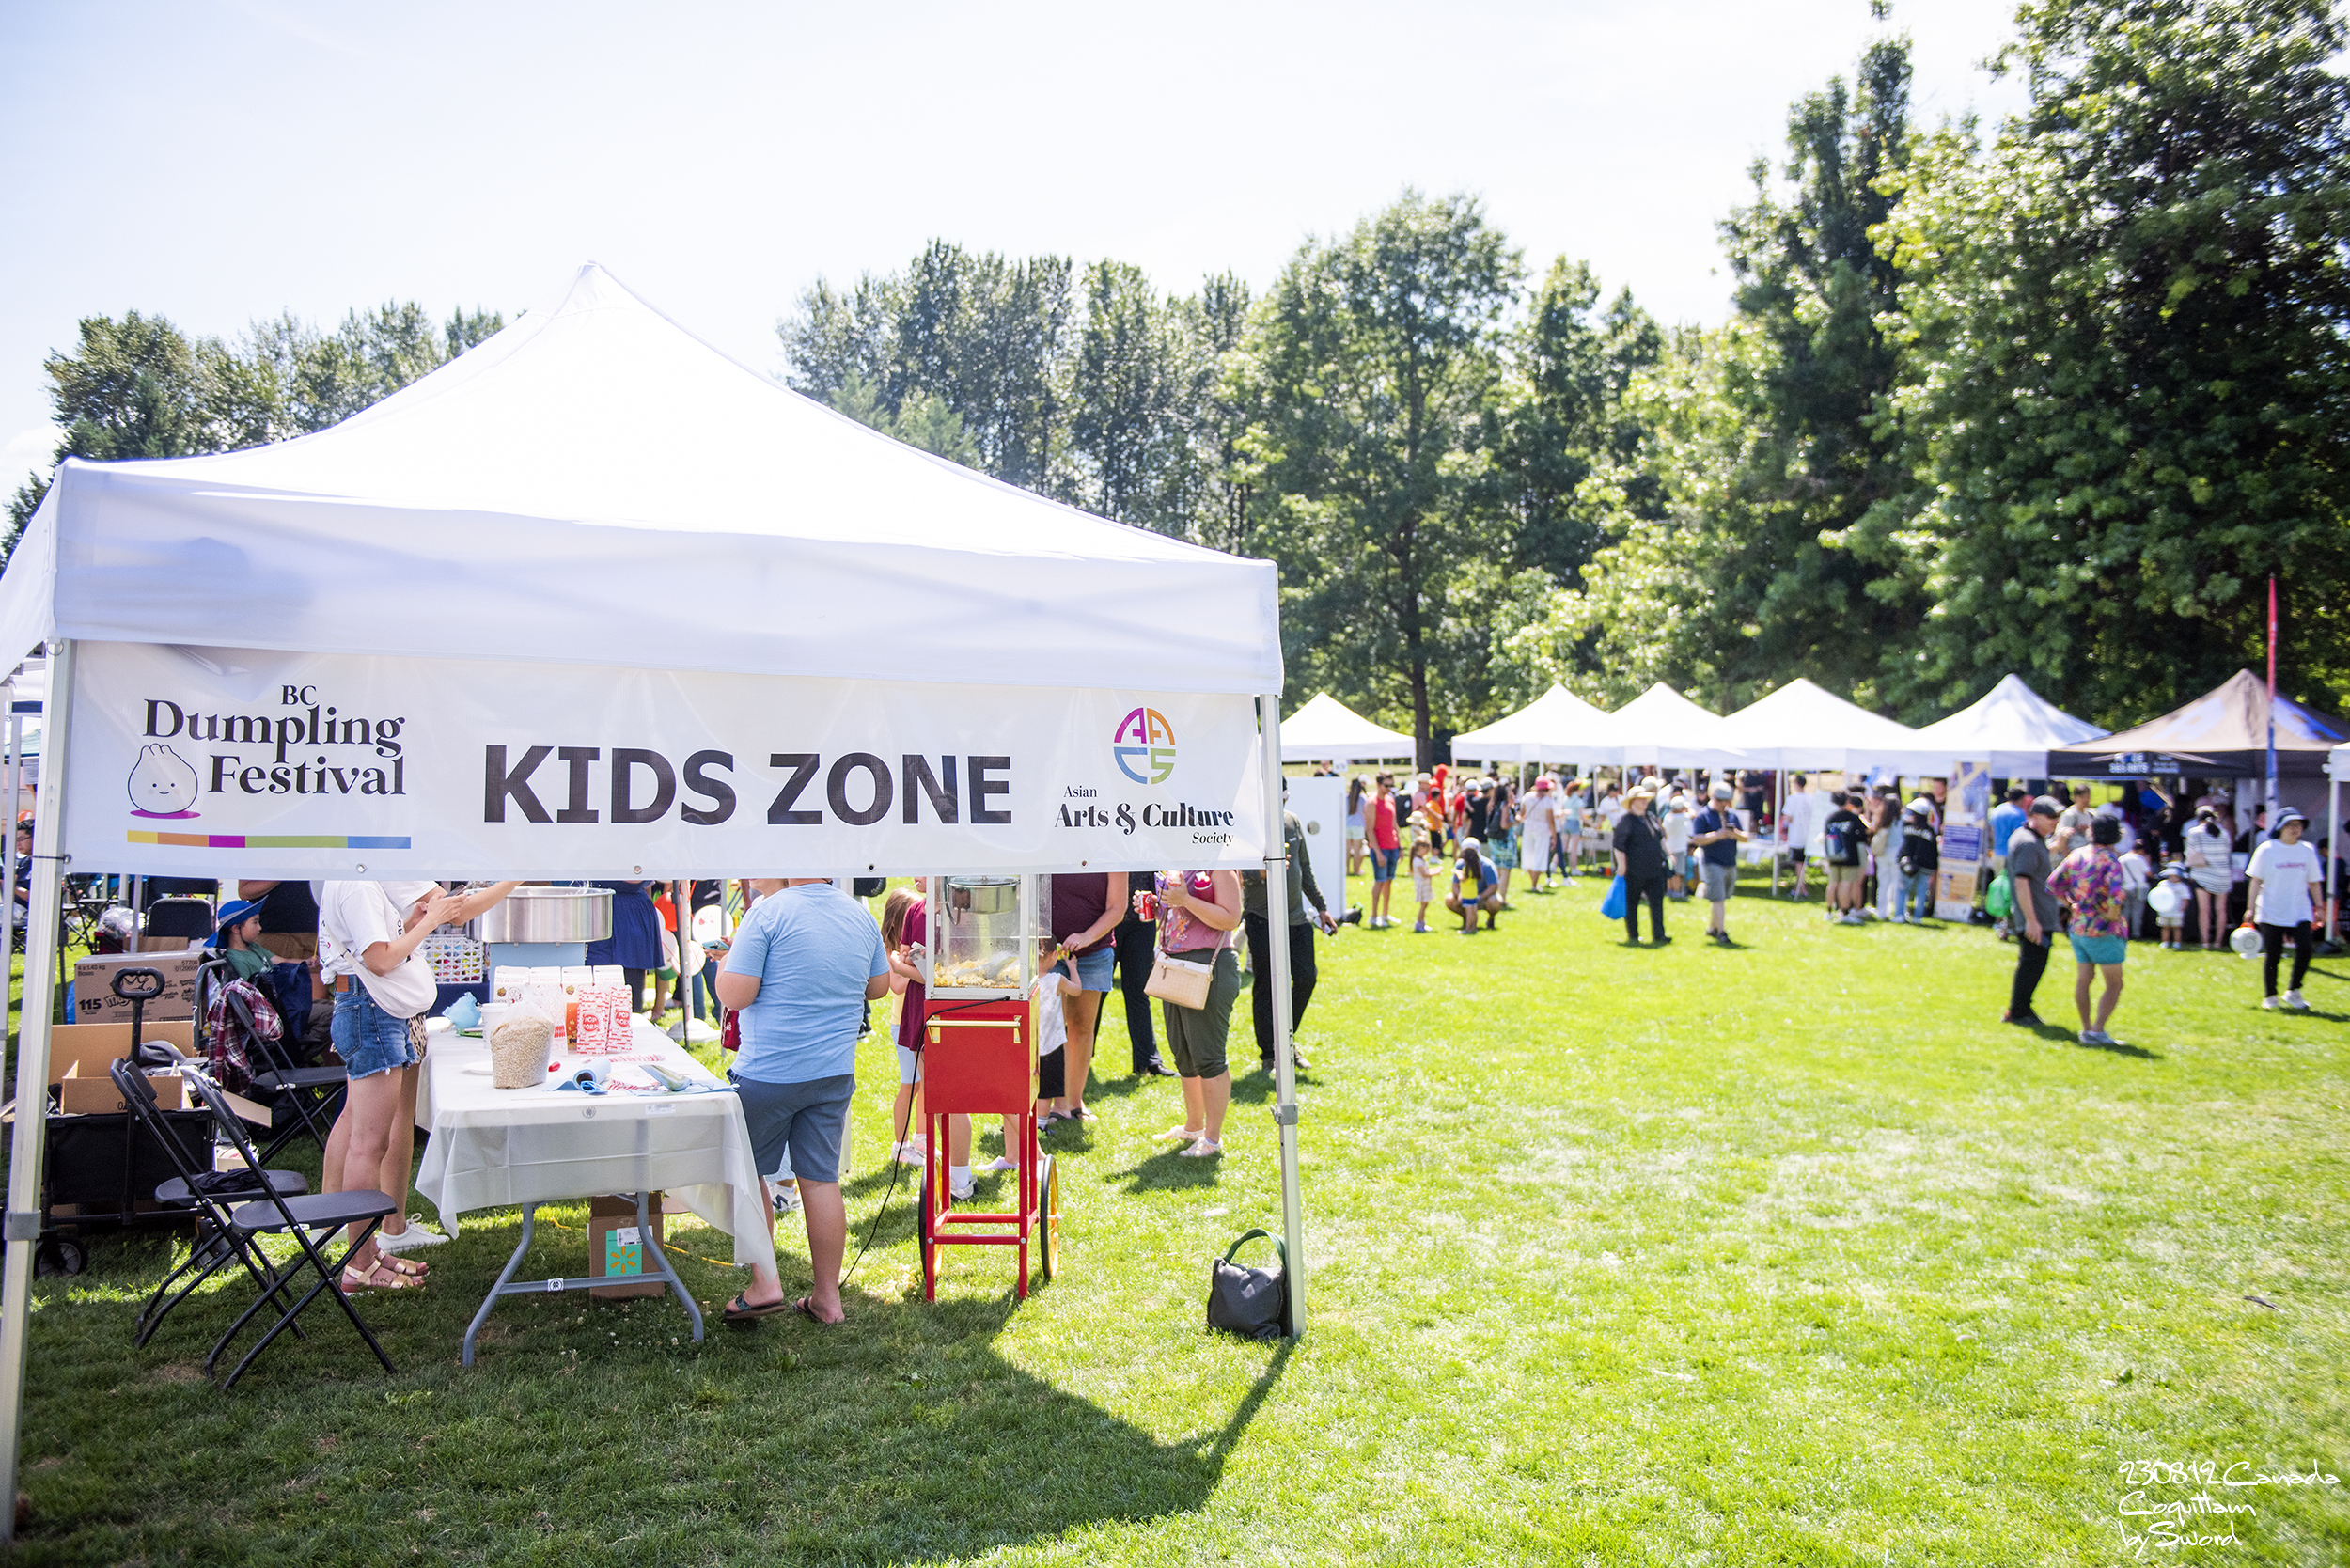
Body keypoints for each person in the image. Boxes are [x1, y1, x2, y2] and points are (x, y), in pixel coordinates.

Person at [319, 877, 517, 1288]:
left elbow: (378, 948)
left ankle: (368, 1252)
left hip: (372, 1011)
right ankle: (358, 1266)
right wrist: (430, 921)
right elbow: (379, 960)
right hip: (371, 1012)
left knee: (371, 1141)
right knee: (368, 1145)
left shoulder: (362, 880)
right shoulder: (358, 884)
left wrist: (412, 923)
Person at [714, 875, 891, 1324]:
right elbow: (878, 987)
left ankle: (765, 1284)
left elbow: (735, 994)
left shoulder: (766, 913)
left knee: (750, 1174)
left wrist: (726, 963)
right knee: (820, 1180)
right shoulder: (858, 913)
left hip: (769, 1071)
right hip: (832, 1071)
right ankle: (827, 1299)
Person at [1144, 870, 1244, 1158]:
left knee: (1208, 1057)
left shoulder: (1219, 867)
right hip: (1174, 964)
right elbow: (1180, 917)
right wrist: (1155, 905)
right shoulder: (1178, 866)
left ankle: (1212, 1140)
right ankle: (1193, 1127)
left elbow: (1231, 919)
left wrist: (1185, 899)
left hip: (1208, 966)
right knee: (1184, 1055)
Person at [1242, 801, 1338, 1071]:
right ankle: (1269, 1054)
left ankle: (1285, 1040)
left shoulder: (1291, 820)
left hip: (1296, 917)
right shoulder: (1249, 821)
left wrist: (1321, 907)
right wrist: (1260, 873)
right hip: (1262, 917)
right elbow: (1236, 868)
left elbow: (1304, 867)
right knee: (1267, 985)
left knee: (1307, 977)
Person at [1043, 871, 1121, 1127]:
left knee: (1082, 1027)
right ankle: (1054, 1104)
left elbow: (1117, 908)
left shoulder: (1112, 854)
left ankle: (1074, 1101)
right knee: (1049, 1027)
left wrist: (1086, 937)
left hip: (1094, 951)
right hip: (1046, 952)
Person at [2047, 815, 2131, 1045]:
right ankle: (2097, 1030)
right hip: (2103, 930)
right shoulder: (2111, 861)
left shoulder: (2077, 855)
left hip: (2078, 927)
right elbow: (2116, 897)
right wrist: (2112, 916)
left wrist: (2070, 905)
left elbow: (2053, 884)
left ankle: (2086, 1030)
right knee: (2114, 983)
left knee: (2084, 979)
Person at [2246, 807, 2325, 1011]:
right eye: (2290, 825)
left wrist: (2319, 907)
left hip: (2300, 909)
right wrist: (2250, 908)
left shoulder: (2307, 850)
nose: (2295, 829)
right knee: (2274, 954)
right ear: (2280, 827)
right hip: (2270, 909)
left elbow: (2314, 882)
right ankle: (2270, 995)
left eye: (2298, 825)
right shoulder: (2266, 849)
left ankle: (2294, 991)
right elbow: (2255, 881)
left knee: (2305, 948)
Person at [2004, 796, 2062, 1027]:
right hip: (2034, 916)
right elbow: (2022, 881)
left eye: (2057, 816)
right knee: (2032, 964)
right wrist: (2031, 920)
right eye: (2051, 816)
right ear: (2035, 816)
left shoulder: (2030, 838)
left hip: (2037, 914)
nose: (2055, 821)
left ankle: (2021, 1009)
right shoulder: (2028, 842)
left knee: (2033, 964)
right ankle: (2018, 1011)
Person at [1111, 870, 1175, 1075]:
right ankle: (1080, 1060)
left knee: (1139, 991)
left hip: (1142, 923)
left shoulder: (1145, 849)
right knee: (1095, 993)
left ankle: (1148, 1061)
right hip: (1106, 922)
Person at [586, 879, 663, 1011]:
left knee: (629, 1003)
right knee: (592, 1001)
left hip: (630, 913)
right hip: (595, 909)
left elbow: (639, 879)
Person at [1612, 784, 1670, 945]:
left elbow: (1660, 838)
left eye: (1646, 799)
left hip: (1655, 867)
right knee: (1632, 903)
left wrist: (1669, 854)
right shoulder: (1626, 821)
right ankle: (1633, 934)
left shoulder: (1650, 817)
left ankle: (1659, 934)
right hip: (1635, 869)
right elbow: (1618, 844)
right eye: (1641, 799)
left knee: (1657, 902)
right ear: (1633, 801)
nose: (1645, 802)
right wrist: (1622, 865)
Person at [1690, 781, 1748, 944]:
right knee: (1718, 898)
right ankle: (1721, 932)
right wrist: (1716, 835)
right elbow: (1697, 839)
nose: (1723, 804)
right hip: (1712, 861)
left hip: (1730, 861)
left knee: (1721, 897)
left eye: (1726, 801)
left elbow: (1745, 837)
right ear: (1713, 797)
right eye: (1720, 800)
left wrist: (1734, 834)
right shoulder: (1703, 815)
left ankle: (1712, 927)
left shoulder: (1732, 816)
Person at [2183, 805, 2232, 950]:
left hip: (2203, 874)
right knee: (2221, 910)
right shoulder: (2224, 833)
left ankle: (2205, 941)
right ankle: (2218, 942)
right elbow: (2227, 852)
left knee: (2204, 910)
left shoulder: (2194, 832)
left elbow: (2190, 853)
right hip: (2223, 874)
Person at [1823, 790, 1868, 924]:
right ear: (1847, 801)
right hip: (1849, 855)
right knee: (1845, 883)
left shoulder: (1830, 818)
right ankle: (1845, 912)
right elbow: (1865, 831)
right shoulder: (1852, 817)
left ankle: (1828, 911)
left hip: (1833, 855)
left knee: (1833, 883)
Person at [1364, 771, 1402, 929]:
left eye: (1391, 785)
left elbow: (1394, 824)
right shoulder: (1371, 803)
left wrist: (1400, 846)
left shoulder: (1391, 800)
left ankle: (1385, 914)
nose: (1389, 788)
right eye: (1386, 785)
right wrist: (1378, 852)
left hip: (1392, 847)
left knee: (1389, 881)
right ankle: (1373, 916)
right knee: (1379, 881)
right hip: (1380, 848)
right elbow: (1369, 829)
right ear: (1378, 784)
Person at [207, 897, 273, 982]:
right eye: (255, 922)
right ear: (236, 929)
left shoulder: (254, 947)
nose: (260, 927)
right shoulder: (237, 962)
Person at [1894, 801, 1939, 923]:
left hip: (1908, 864)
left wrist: (1901, 858)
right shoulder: (1929, 830)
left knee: (1903, 889)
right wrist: (1933, 866)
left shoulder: (1906, 826)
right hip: (1924, 865)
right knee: (1921, 891)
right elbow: (1932, 850)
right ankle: (1917, 917)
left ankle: (1899, 915)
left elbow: (1904, 846)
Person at [1447, 837, 1503, 933]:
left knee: (1471, 910)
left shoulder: (1486, 865)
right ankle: (1472, 926)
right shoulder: (1464, 865)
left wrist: (1481, 896)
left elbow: (1493, 886)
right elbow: (1455, 885)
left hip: (1473, 895)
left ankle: (1469, 928)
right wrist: (1459, 895)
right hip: (1471, 894)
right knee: (1471, 909)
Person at [1520, 776, 1560, 893]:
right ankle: (1534, 884)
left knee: (1528, 855)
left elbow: (1522, 814)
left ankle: (1534, 883)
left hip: (1528, 828)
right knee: (1539, 856)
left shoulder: (1527, 797)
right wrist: (1554, 836)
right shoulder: (1547, 801)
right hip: (1542, 830)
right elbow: (1551, 821)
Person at [1780, 774, 1817, 900]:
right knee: (1801, 863)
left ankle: (1802, 889)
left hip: (1797, 835)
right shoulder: (1811, 798)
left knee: (1799, 864)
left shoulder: (1792, 799)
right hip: (1808, 835)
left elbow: (1787, 817)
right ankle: (1797, 887)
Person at [1487, 780, 1520, 902]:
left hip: (1493, 839)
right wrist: (1515, 822)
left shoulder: (1492, 805)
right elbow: (1504, 825)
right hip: (1505, 840)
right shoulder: (1504, 805)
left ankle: (1494, 896)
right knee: (1505, 870)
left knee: (1497, 869)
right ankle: (1502, 898)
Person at [1661, 794, 1693, 902]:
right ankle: (1676, 891)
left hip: (1669, 847)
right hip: (1678, 848)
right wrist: (1687, 809)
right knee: (1677, 872)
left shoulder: (1668, 816)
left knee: (1670, 871)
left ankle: (1670, 890)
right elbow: (1693, 814)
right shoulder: (1680, 817)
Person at [2051, 783, 2096, 858]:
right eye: (2082, 797)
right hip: (2073, 855)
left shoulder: (2091, 814)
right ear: (2074, 797)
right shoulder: (2070, 814)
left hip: (2087, 855)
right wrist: (2068, 858)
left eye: (2088, 797)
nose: (2086, 800)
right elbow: (2062, 838)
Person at [2154, 862, 2190, 949]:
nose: (2173, 878)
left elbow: (2185, 898)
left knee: (2177, 928)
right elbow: (2158, 895)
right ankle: (2165, 942)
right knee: (2165, 927)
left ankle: (2177, 943)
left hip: (2177, 912)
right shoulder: (2163, 884)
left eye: (2176, 876)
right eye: (2171, 875)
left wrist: (2183, 908)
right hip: (2164, 911)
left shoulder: (2183, 887)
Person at [1408, 830, 1436, 933]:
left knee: (1425, 905)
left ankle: (1422, 923)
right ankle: (1419, 924)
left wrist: (1434, 870)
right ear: (1420, 848)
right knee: (1423, 906)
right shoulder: (1417, 861)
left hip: (1425, 885)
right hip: (1422, 886)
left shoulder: (1420, 859)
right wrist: (1436, 873)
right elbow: (1424, 874)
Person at [1344, 776, 1369, 878]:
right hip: (1358, 826)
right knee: (1357, 850)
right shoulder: (1362, 798)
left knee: (1347, 850)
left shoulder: (1346, 797)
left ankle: (1346, 870)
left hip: (1347, 825)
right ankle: (1356, 870)